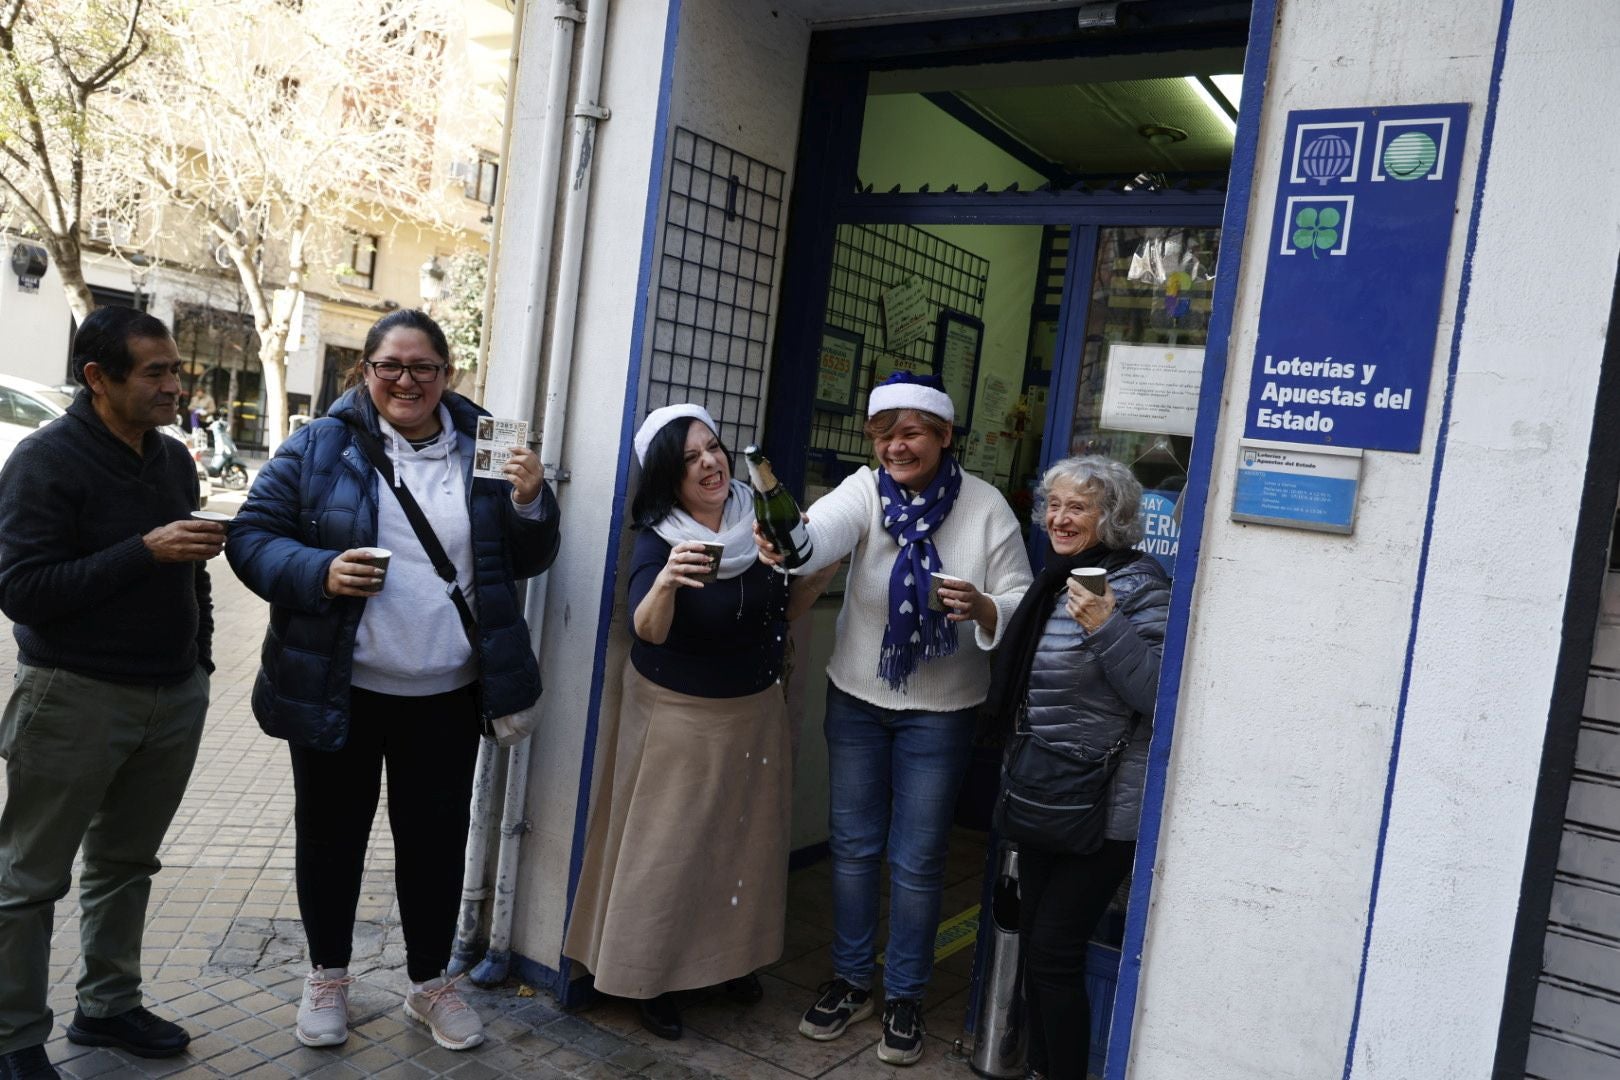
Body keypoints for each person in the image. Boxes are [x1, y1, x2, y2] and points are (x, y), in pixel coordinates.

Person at [225, 309, 560, 1054]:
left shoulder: (487, 446)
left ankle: (429, 984)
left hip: (446, 691)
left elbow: (527, 558)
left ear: (448, 374)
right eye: (390, 366)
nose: (406, 380)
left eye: (423, 368)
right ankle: (328, 977)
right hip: (340, 687)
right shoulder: (319, 445)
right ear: (365, 372)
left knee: (435, 843)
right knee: (331, 837)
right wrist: (320, 570)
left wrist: (532, 501)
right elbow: (248, 537)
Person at [759, 372, 1032, 1067]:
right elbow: (818, 537)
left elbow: (1021, 598)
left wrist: (985, 607)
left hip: (942, 713)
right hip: (857, 697)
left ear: (944, 436)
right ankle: (852, 980)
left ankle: (905, 993)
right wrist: (787, 543)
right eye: (884, 433)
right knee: (853, 849)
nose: (894, 446)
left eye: (910, 432)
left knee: (916, 860)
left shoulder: (987, 507)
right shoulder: (865, 491)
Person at [0, 307, 224, 1080]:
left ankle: (108, 1006)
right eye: (155, 373)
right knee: (28, 878)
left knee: (127, 863)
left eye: (175, 369)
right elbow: (24, 591)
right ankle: (13, 1037)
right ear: (98, 379)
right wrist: (143, 551)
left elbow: (191, 568)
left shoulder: (170, 460)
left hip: (170, 697)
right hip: (73, 696)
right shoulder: (44, 461)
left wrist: (198, 662)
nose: (174, 385)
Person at [565, 404, 835, 1040]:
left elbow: (786, 607)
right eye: (690, 458)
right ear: (669, 475)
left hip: (757, 709)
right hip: (677, 716)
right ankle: (646, 978)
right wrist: (666, 582)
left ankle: (728, 965)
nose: (709, 463)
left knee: (745, 847)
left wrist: (824, 566)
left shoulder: (763, 518)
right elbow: (646, 630)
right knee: (668, 852)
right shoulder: (660, 535)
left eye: (712, 447)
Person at [981, 455, 1169, 1080]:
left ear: (1110, 518)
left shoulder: (1142, 587)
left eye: (1078, 508)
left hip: (1105, 805)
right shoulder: (1050, 582)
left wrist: (1108, 625)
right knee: (1037, 948)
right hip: (1045, 791)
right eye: (1054, 506)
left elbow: (1155, 695)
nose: (1060, 519)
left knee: (1054, 952)